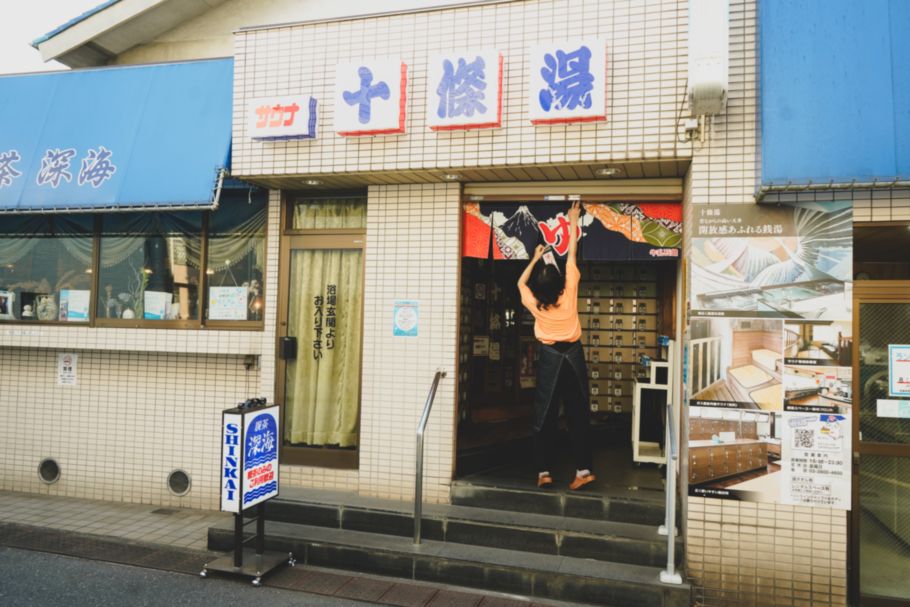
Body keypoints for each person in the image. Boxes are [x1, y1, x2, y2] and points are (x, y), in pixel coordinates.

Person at [517, 201, 595, 490]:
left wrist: (536, 258)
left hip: (550, 356)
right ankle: (584, 470)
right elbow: (572, 252)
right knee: (578, 413)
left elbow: (519, 283)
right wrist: (574, 220)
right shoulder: (570, 291)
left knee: (544, 413)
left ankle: (543, 471)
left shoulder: (536, 303)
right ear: (561, 282)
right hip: (574, 354)